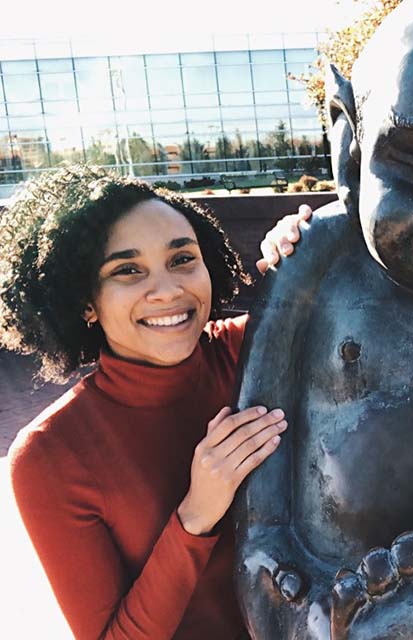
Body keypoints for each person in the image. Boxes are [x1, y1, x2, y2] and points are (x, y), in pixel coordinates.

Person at [4, 165, 308, 640]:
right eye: (127, 270)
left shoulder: (258, 346)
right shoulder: (49, 455)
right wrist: (195, 517)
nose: (168, 291)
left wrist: (308, 252)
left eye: (182, 259)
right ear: (86, 301)